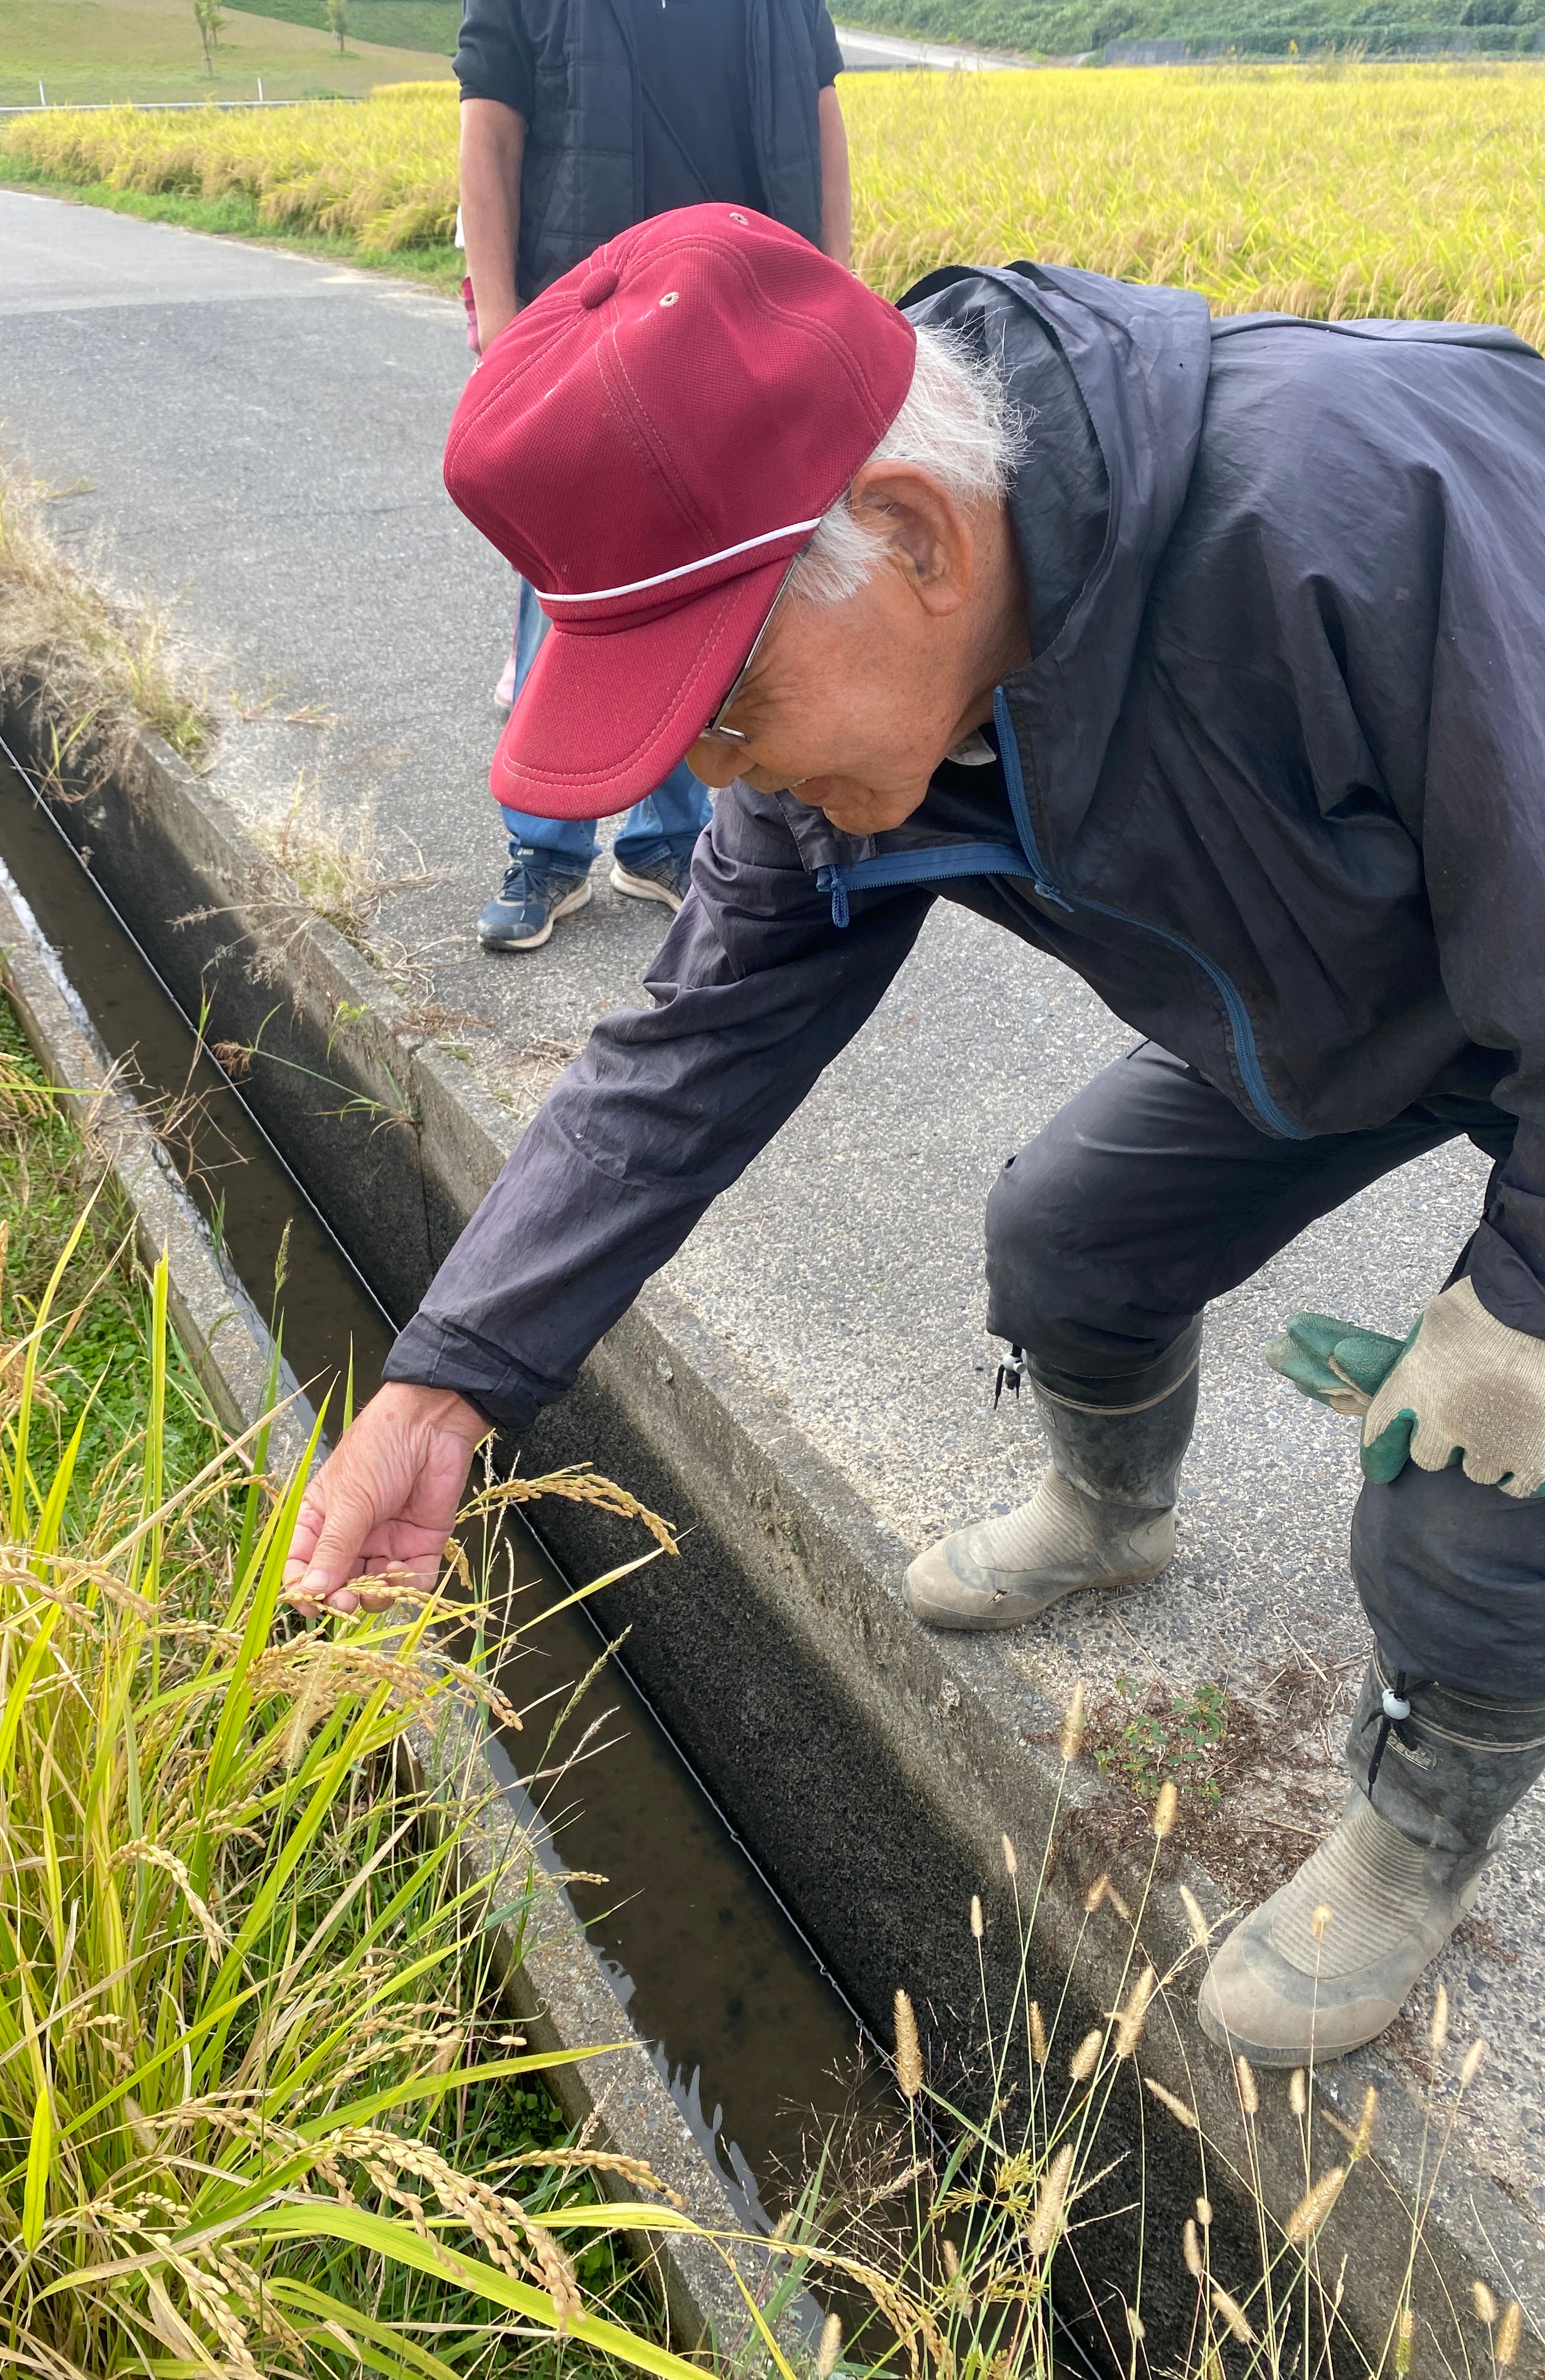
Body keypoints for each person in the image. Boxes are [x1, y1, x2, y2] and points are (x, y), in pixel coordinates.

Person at [286, 205, 1545, 2071]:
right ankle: (1113, 1514)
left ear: (919, 534)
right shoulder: (855, 716)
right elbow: (685, 1050)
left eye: (723, 715)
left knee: (1470, 1490)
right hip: (1338, 1009)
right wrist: (444, 1389)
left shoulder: (1363, 519)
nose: (724, 786)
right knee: (1067, 1240)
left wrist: (1517, 1300)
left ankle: (1425, 1810)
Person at [455, 0, 851, 949]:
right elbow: (490, 137)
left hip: (741, 320)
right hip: (586, 312)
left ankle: (667, 836)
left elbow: (823, 120)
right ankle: (547, 847)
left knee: (716, 579)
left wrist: (836, 287)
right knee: (569, 582)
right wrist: (505, 329)